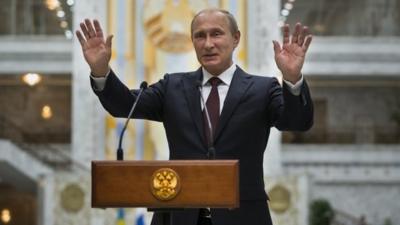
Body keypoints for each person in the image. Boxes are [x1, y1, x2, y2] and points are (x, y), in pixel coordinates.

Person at [76, 8, 313, 225]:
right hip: (178, 215)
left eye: (216, 34)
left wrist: (292, 80)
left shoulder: (263, 89)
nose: (208, 43)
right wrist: (100, 71)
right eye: (200, 36)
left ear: (236, 38)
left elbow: (296, 122)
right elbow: (124, 105)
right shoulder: (172, 87)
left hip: (243, 216)